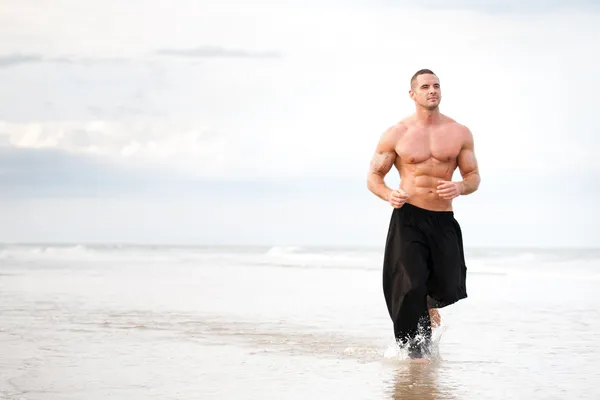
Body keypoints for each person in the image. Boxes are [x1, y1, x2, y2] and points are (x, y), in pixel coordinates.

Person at [367, 69, 481, 359]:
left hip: (442, 219)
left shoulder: (459, 132)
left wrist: (460, 187)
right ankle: (414, 353)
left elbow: (473, 176)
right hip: (409, 217)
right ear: (412, 94)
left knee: (446, 284)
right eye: (425, 86)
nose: (433, 90)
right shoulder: (397, 134)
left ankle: (428, 304)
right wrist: (388, 194)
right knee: (409, 284)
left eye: (436, 86)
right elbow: (373, 177)